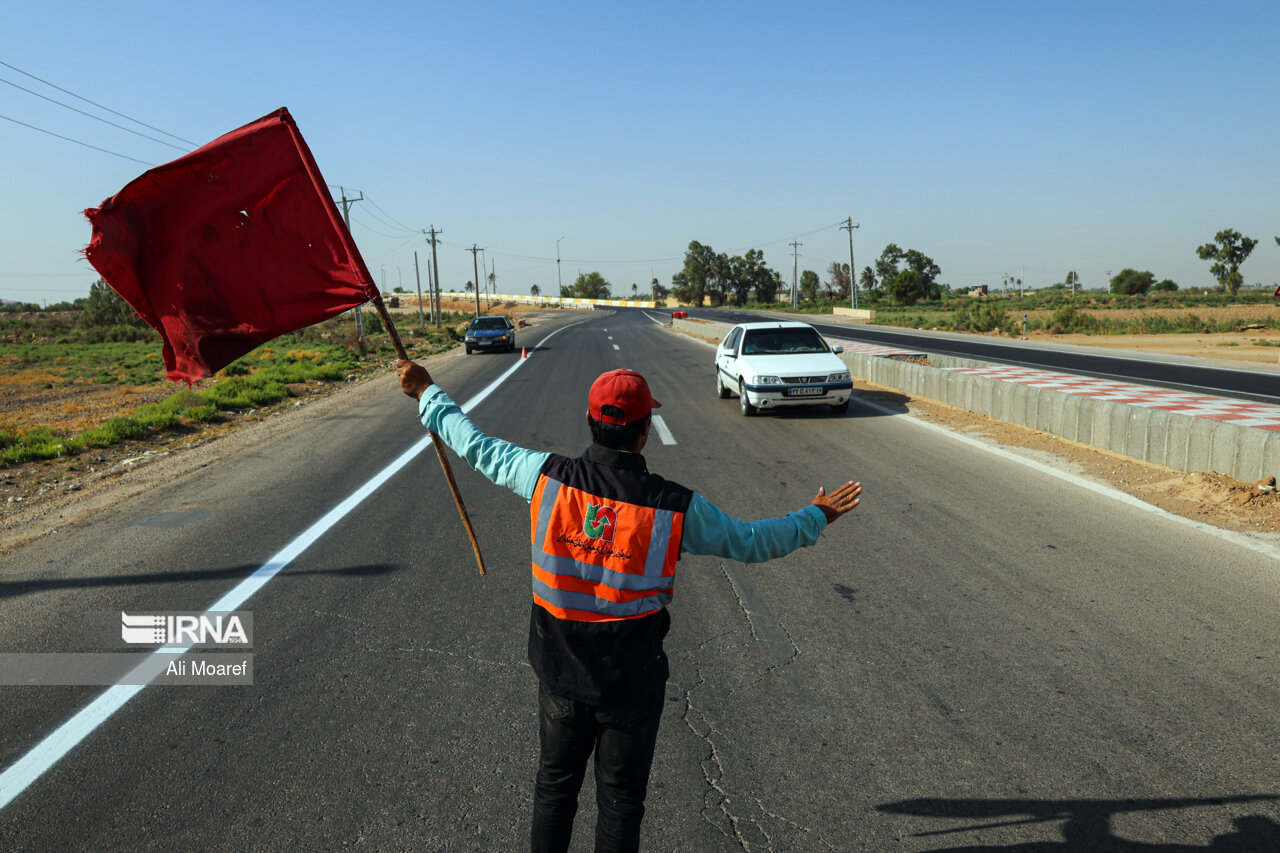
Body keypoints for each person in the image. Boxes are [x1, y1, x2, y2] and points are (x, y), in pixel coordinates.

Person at [396, 360, 862, 853]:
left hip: (559, 675)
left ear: (591, 422)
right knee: (620, 805)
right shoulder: (673, 506)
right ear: (643, 432)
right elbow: (751, 541)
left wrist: (427, 392)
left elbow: (476, 446)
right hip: (631, 684)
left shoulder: (543, 477)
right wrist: (815, 515)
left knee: (554, 792)